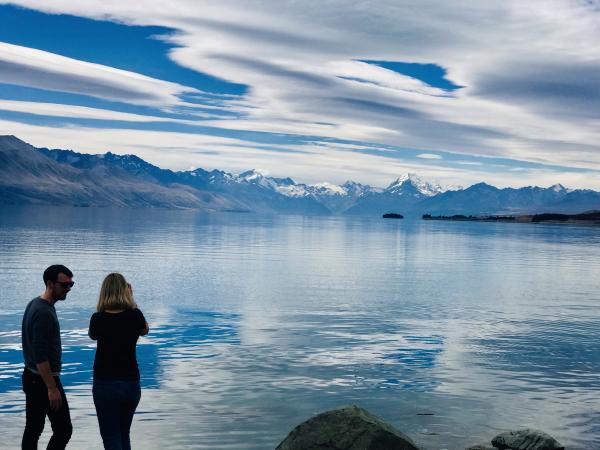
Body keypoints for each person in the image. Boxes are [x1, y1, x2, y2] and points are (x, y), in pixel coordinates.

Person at [89, 273, 149, 450]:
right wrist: (132, 302)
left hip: (105, 383)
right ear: (125, 292)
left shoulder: (97, 318)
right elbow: (145, 330)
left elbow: (93, 336)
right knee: (124, 433)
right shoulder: (135, 315)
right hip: (131, 382)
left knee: (110, 436)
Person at [21, 264, 74, 450]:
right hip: (43, 379)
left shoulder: (35, 303)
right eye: (64, 285)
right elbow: (40, 354)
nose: (68, 289)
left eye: (71, 284)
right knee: (63, 429)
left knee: (34, 429)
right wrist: (51, 388)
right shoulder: (43, 312)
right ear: (50, 284)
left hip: (32, 376)